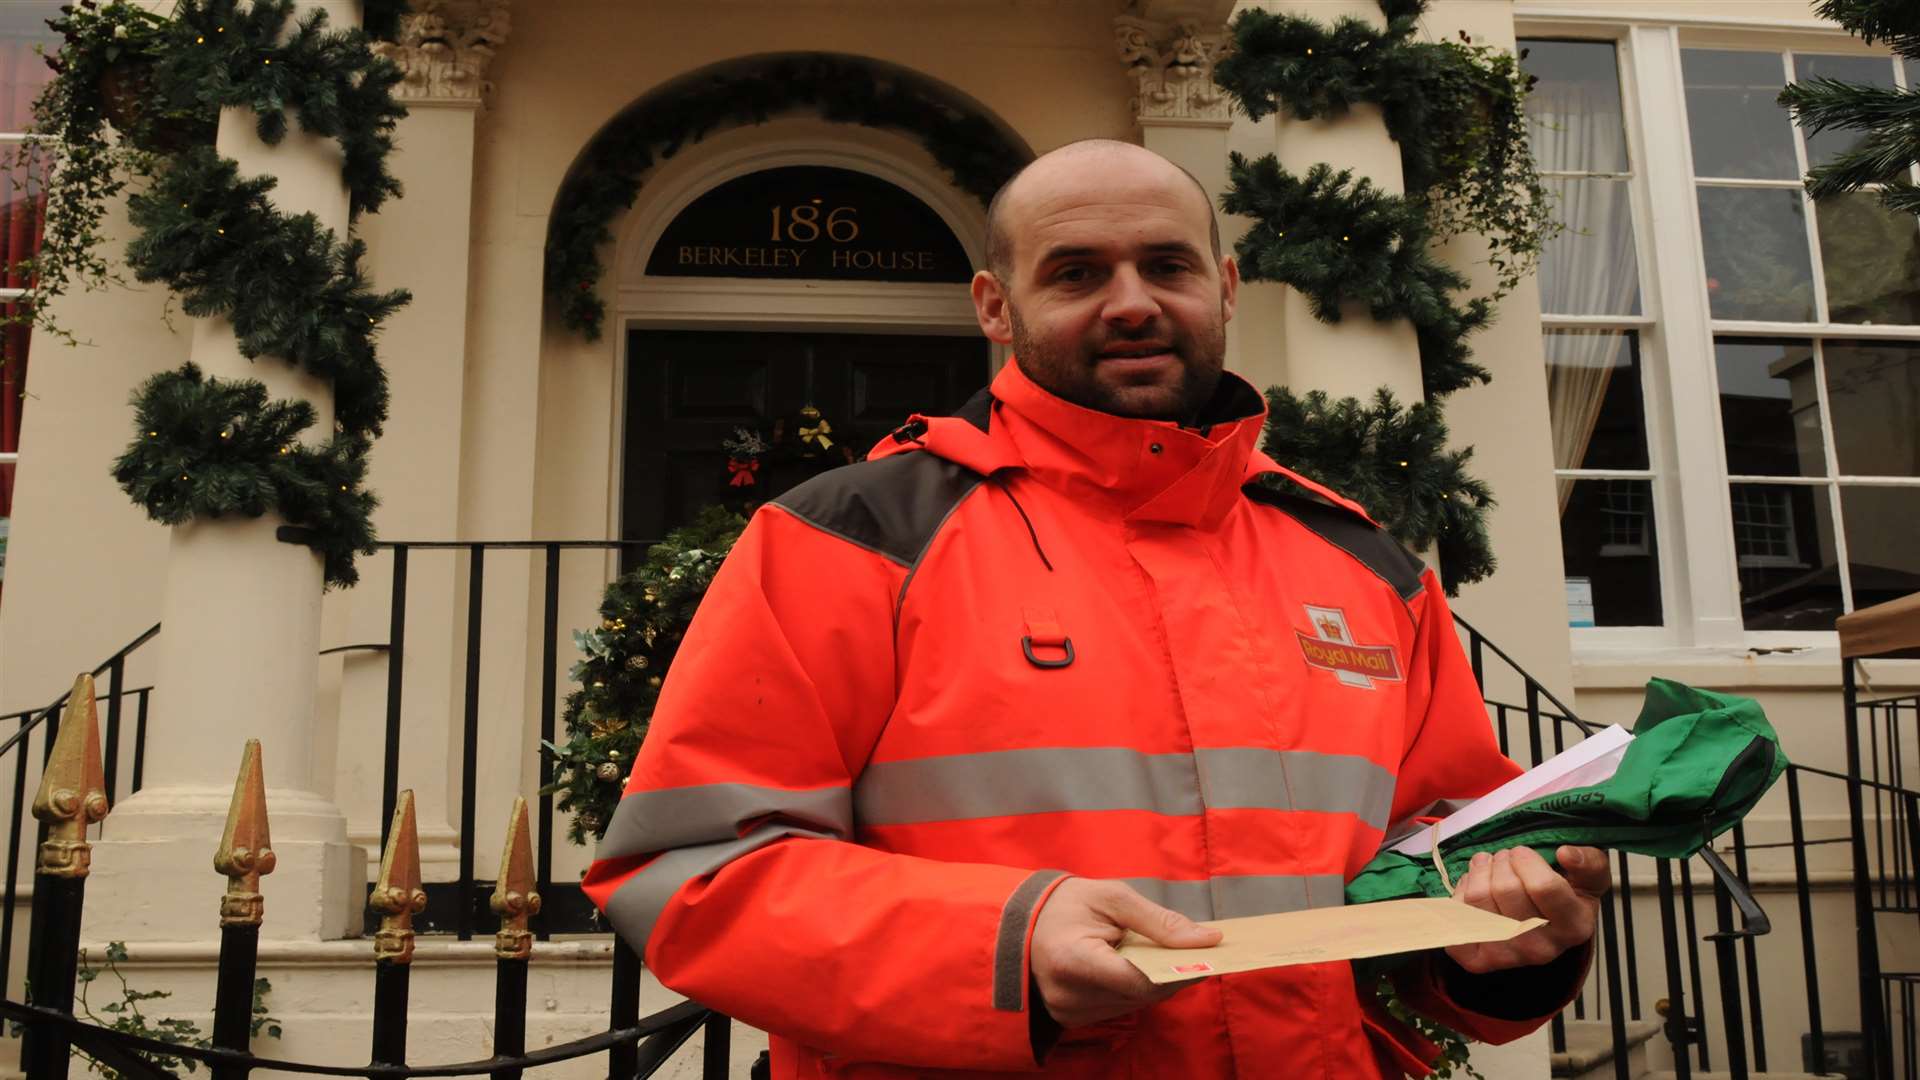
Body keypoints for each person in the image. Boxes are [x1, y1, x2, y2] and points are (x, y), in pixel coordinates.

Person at [584, 139, 1609, 1078]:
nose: (1132, 303)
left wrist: (1497, 942)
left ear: (1226, 286)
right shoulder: (852, 538)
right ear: (996, 306)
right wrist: (1005, 945)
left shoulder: (1365, 564)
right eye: (1076, 273)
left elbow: (1441, 853)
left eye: (1167, 266)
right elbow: (691, 871)